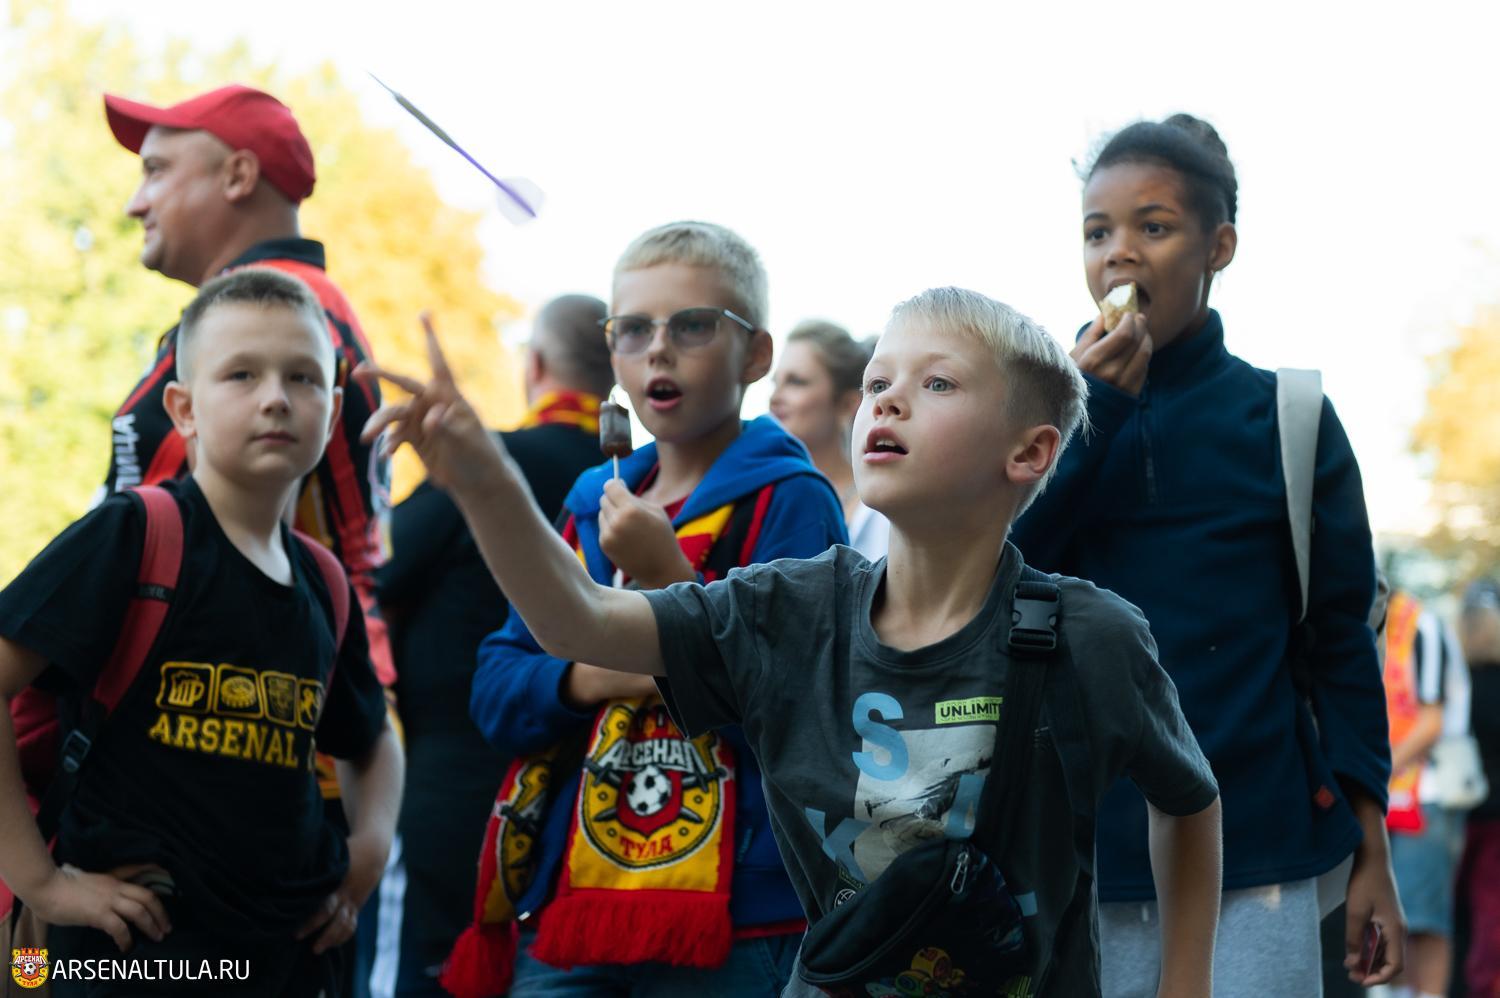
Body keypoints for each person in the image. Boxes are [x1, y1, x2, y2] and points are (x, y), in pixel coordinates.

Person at [360, 284, 1224, 997]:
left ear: (1030, 453)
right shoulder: (790, 609)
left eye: (938, 384)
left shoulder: (1091, 636)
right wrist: (482, 480)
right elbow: (577, 621)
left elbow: (1188, 801)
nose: (888, 398)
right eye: (879, 380)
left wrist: (1184, 986)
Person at [1010, 113, 1403, 995]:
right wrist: (1091, 415)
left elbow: (1339, 643)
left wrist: (1372, 852)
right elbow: (993, 573)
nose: (1120, 252)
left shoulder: (1287, 416)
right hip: (1080, 856)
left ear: (1218, 247)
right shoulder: (1032, 419)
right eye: (1097, 232)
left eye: (1153, 227)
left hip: (1258, 857)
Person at [457, 222, 847, 996]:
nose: (658, 350)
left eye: (692, 326)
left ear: (756, 356)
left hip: (742, 915)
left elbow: (801, 710)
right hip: (569, 906)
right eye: (633, 329)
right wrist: (597, 677)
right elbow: (497, 689)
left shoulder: (792, 500)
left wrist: (668, 576)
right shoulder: (591, 506)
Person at [0, 269, 402, 996]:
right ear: (183, 409)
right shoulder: (134, 534)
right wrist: (43, 884)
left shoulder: (325, 582)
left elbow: (373, 740)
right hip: (136, 954)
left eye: (304, 377)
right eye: (241, 374)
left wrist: (366, 858)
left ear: (334, 410)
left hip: (288, 957)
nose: (276, 397)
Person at [100, 84, 392, 688]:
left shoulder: (270, 316)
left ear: (237, 175)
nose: (135, 203)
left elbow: (155, 532)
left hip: (241, 686)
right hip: (273, 674)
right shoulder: (293, 311)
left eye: (156, 171)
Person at [374, 293, 612, 996]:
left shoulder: (481, 465)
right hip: (592, 799)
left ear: (534, 365)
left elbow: (373, 574)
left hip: (453, 782)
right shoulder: (637, 480)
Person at [770, 319, 890, 560]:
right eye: (776, 383)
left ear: (847, 403)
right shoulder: (764, 496)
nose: (775, 398)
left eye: (796, 382)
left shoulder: (881, 508)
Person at [1457, 579, 1500, 996]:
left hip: (1455, 809)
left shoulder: (1457, 684)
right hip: (1493, 817)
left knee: (1457, 911)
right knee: (1490, 909)